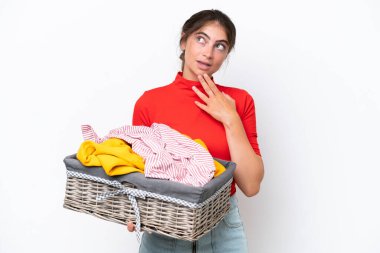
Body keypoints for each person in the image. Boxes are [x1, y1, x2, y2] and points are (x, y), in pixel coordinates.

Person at [128, 9, 264, 253]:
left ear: (226, 54)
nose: (208, 53)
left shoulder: (239, 101)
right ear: (184, 41)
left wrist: (230, 118)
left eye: (220, 46)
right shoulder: (149, 103)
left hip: (222, 229)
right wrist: (133, 210)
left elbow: (251, 184)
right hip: (164, 225)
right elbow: (139, 172)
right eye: (201, 39)